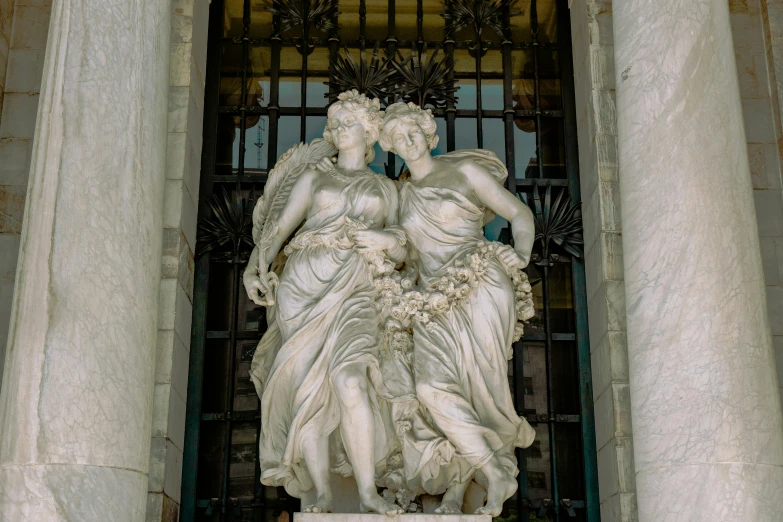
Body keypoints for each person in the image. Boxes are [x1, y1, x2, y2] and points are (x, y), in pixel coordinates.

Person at [243, 91, 405, 515]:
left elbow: (407, 251)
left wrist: (387, 240)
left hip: (358, 285)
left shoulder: (387, 188)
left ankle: (368, 491)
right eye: (333, 124)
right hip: (303, 285)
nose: (336, 131)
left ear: (369, 129)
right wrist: (251, 268)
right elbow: (277, 229)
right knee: (307, 390)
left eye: (346, 122)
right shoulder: (314, 178)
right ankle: (324, 493)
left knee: (351, 380)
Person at [376, 101, 537, 516]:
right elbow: (398, 248)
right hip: (430, 300)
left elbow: (518, 212)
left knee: (478, 392)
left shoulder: (465, 173)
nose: (406, 141)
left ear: (427, 133)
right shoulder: (400, 194)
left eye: (412, 132)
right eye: (396, 138)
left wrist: (521, 250)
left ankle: (463, 486)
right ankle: (494, 470)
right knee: (432, 391)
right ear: (390, 148)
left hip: (479, 283)